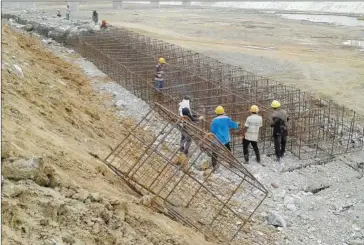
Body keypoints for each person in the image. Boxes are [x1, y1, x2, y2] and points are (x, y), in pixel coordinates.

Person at [210, 106, 240, 171]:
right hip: (225, 139)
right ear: (223, 112)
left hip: (218, 140)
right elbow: (233, 125)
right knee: (228, 151)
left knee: (214, 153)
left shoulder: (214, 120)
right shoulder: (227, 118)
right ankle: (231, 163)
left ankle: (214, 166)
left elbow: (212, 131)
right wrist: (237, 124)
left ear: (216, 113)